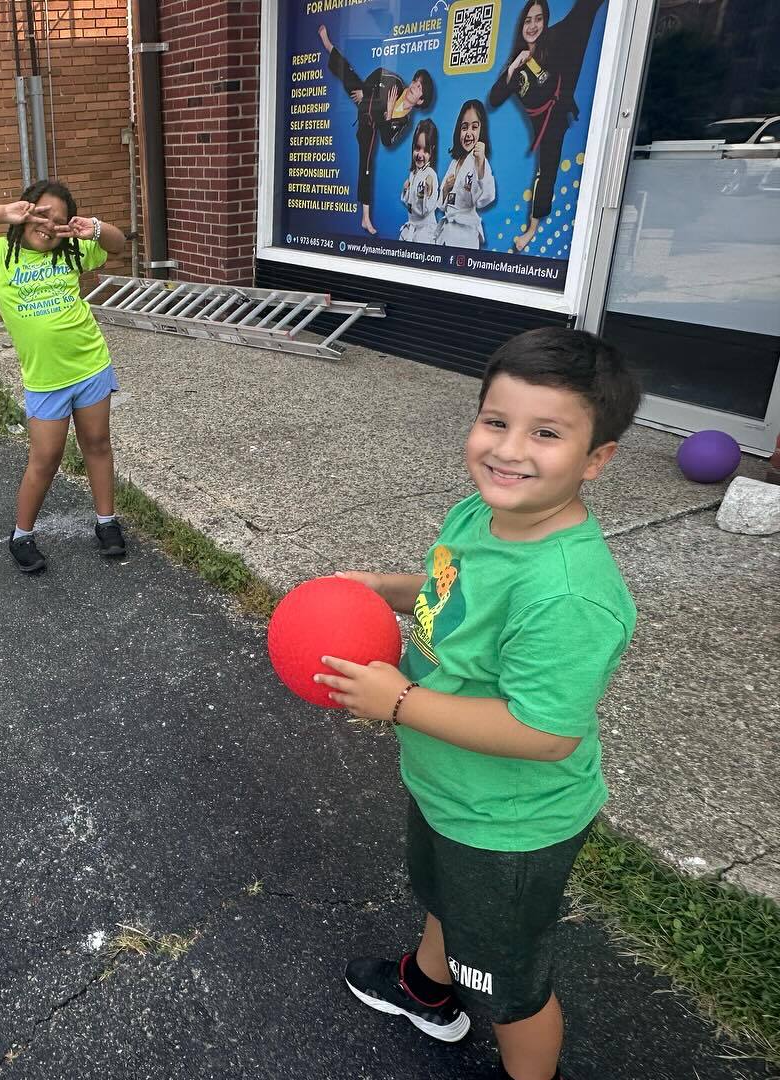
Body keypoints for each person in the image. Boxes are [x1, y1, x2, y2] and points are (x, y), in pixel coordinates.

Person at [315, 328, 643, 1080]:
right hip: (451, 790)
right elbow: (445, 591)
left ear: (598, 460)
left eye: (547, 433)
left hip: (511, 825)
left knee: (512, 987)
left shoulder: (567, 594)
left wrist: (398, 700)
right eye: (496, 421)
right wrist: (384, 589)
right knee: (442, 896)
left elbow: (543, 732)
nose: (509, 449)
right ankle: (430, 992)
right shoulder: (478, 516)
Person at [0, 180, 129, 574]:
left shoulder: (72, 251)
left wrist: (91, 227)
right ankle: (22, 534)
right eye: (41, 215)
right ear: (26, 213)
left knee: (97, 443)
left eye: (58, 221)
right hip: (45, 380)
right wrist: (4, 212)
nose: (48, 226)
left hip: (90, 364)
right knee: (45, 458)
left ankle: (106, 523)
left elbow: (118, 245)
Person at [489, 0, 608, 252]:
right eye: (528, 20)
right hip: (542, 124)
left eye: (539, 18)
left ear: (546, 21)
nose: (533, 25)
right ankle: (531, 228)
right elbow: (495, 97)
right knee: (545, 173)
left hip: (559, 112)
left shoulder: (555, 40)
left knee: (548, 173)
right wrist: (513, 67)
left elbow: (582, 12)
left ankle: (532, 229)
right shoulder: (517, 64)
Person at [318, 23, 435, 236]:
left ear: (420, 101)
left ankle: (365, 218)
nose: (413, 87)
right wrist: (364, 93)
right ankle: (329, 46)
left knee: (367, 167)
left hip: (369, 127)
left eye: (418, 88)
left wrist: (389, 115)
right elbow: (380, 72)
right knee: (349, 75)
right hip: (365, 104)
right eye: (415, 82)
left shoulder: (404, 122)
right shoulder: (396, 83)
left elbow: (388, 141)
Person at [438, 100, 498, 249]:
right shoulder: (454, 163)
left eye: (474, 127)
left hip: (465, 237)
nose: (468, 133)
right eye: (464, 128)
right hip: (447, 233)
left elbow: (487, 198)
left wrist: (481, 163)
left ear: (481, 131)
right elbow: (441, 205)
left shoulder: (480, 162)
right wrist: (445, 189)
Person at [399, 119, 442, 244]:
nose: (420, 154)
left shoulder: (431, 176)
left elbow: (425, 211)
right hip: (412, 226)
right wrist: (406, 190)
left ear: (432, 150)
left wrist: (427, 193)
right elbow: (409, 204)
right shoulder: (413, 173)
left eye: (425, 150)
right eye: (417, 148)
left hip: (425, 231)